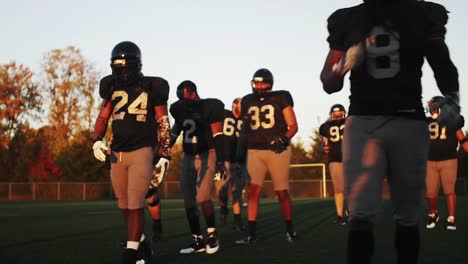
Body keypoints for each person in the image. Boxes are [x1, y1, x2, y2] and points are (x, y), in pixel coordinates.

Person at [320, 1, 460, 263]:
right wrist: (342, 67)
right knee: (360, 213)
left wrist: (452, 96)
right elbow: (329, 83)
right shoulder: (349, 19)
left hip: (408, 120)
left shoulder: (419, 13)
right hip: (363, 121)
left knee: (407, 215)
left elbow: (440, 60)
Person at [92, 41, 171, 264]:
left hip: (142, 150)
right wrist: (96, 140)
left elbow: (162, 121)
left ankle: (131, 252)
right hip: (117, 153)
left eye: (127, 67)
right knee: (124, 204)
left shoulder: (152, 86)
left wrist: (164, 153)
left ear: (137, 65)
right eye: (119, 68)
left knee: (136, 201)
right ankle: (142, 242)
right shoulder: (111, 87)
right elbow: (102, 118)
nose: (123, 72)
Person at [235, 68, 298, 244]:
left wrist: (283, 139)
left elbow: (293, 125)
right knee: (252, 191)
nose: (260, 85)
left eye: (263, 82)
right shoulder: (247, 100)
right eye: (257, 82)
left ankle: (290, 230)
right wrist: (240, 151)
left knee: (282, 192)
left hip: (278, 151)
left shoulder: (281, 97)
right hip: (255, 150)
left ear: (270, 83)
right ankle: (251, 235)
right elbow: (246, 128)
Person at [169, 80, 227, 255]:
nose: (182, 101)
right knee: (188, 201)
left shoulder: (209, 107)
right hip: (188, 156)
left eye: (184, 97)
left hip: (207, 154)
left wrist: (220, 161)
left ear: (193, 93)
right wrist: (162, 151)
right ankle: (197, 240)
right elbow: (174, 133)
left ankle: (212, 236)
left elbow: (218, 134)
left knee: (202, 196)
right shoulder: (180, 110)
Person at [425, 96, 468, 231]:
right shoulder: (426, 122)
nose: (430, 108)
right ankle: (433, 214)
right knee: (431, 193)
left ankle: (451, 218)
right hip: (430, 161)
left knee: (449, 191)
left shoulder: (452, 121)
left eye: (432, 105)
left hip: (449, 160)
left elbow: (462, 139)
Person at [216, 97, 249, 231]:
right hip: (223, 160)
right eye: (238, 104)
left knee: (237, 192)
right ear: (233, 104)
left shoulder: (247, 120)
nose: (239, 107)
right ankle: (224, 209)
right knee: (221, 191)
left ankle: (237, 221)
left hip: (240, 160)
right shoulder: (224, 114)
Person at [319, 104, 348, 225]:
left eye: (339, 114)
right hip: (336, 159)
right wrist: (322, 148)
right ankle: (340, 215)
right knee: (339, 189)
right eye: (335, 114)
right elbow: (322, 144)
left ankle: (349, 211)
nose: (337, 116)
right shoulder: (326, 126)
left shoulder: (326, 126)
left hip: (350, 158)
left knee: (351, 188)